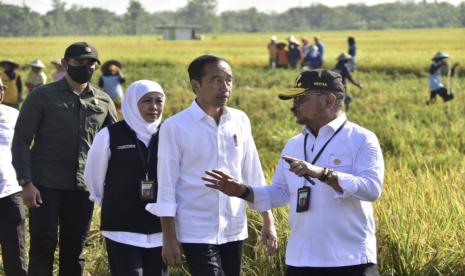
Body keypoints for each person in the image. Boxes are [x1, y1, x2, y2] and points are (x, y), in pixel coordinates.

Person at [203, 69, 384, 276]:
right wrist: (243, 191)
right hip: (301, 260)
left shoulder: (361, 139)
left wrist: (323, 174)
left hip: (350, 260)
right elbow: (281, 192)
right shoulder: (294, 144)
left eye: (301, 98)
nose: (294, 105)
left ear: (329, 100)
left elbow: (371, 189)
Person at [146, 55, 277, 276]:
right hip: (195, 228)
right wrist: (169, 238)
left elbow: (253, 171)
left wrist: (268, 220)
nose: (224, 86)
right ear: (195, 86)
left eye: (229, 80)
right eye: (216, 80)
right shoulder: (175, 127)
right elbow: (166, 184)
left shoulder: (240, 120)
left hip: (234, 227)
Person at [11, 41, 117, 276]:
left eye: (91, 63)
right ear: (65, 63)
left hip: (82, 187)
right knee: (43, 244)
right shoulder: (42, 96)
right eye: (80, 62)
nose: (86, 67)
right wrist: (26, 183)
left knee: (74, 249)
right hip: (44, 185)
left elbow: (115, 144)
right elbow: (21, 140)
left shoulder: (103, 100)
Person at [84, 80, 167, 276]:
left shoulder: (170, 133)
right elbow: (93, 175)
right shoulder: (110, 134)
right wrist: (107, 200)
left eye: (159, 101)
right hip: (122, 227)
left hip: (160, 229)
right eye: (146, 101)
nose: (154, 107)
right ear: (131, 103)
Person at [0, 77, 27, 276]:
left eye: (0, 89)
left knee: (16, 255)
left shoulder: (13, 115)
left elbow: (24, 149)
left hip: (10, 191)